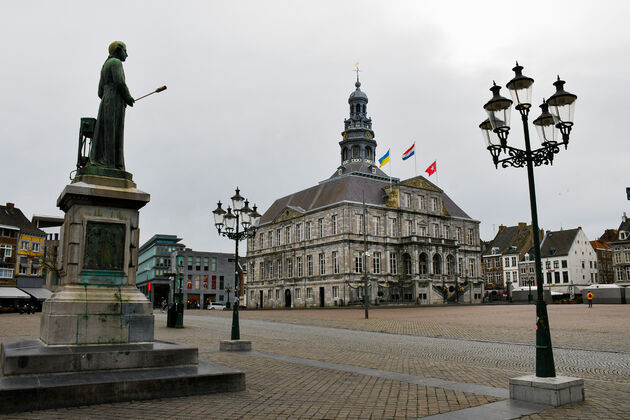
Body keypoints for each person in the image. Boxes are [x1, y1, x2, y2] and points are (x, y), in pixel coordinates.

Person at [89, 41, 135, 170]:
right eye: (125, 50)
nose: (127, 54)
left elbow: (99, 91)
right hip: (115, 99)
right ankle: (112, 163)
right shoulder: (116, 63)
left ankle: (105, 159)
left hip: (105, 100)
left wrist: (107, 96)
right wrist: (128, 98)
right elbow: (120, 82)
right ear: (119, 50)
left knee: (105, 130)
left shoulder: (105, 65)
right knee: (113, 131)